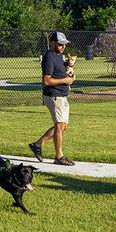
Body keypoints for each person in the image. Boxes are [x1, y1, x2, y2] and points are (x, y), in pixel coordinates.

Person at [29, 32, 75, 165]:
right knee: (60, 125)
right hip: (54, 95)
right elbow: (46, 81)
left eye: (64, 45)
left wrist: (69, 67)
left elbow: (59, 72)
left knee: (62, 126)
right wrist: (66, 80)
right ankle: (59, 157)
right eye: (60, 44)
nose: (63, 47)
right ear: (53, 43)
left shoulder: (58, 56)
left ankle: (37, 144)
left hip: (61, 94)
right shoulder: (49, 57)